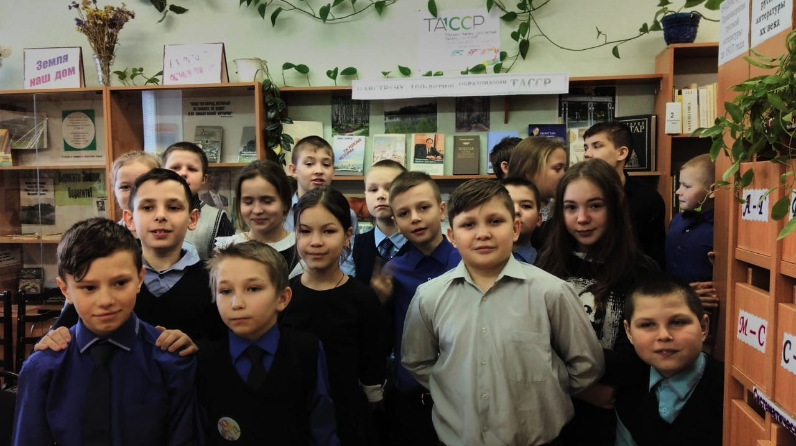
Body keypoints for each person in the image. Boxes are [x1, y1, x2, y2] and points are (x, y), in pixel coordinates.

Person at [401, 179, 604, 446]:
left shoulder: (551, 292)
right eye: (468, 225)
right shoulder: (429, 297)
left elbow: (587, 364)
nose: (482, 234)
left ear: (515, 229)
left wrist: (546, 389)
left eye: (495, 221)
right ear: (451, 236)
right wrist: (452, 386)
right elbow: (417, 361)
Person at [13, 218, 204, 446]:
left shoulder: (171, 361)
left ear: (139, 279)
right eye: (89, 287)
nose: (106, 301)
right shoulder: (42, 368)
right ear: (65, 290)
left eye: (120, 283)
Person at [536, 158, 658, 446]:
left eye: (595, 206)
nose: (582, 218)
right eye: (571, 207)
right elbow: (532, 347)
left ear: (615, 206)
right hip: (552, 418)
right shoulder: (546, 266)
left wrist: (565, 365)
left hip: (614, 418)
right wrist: (579, 388)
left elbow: (636, 357)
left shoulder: (641, 271)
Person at [42, 169, 226, 348]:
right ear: (129, 220)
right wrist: (54, 339)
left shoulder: (215, 279)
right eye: (147, 207)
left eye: (173, 207)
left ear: (192, 219)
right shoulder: (105, 277)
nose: (160, 216)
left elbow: (228, 345)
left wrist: (197, 349)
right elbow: (58, 337)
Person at [199, 240, 340, 445]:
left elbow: (322, 427)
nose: (237, 303)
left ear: (282, 298)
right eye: (225, 291)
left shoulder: (306, 351)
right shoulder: (204, 359)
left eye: (253, 288)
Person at [279, 186, 386, 446]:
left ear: (347, 235)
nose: (316, 242)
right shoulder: (284, 296)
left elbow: (372, 363)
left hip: (347, 417)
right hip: (293, 414)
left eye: (328, 231)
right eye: (305, 231)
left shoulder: (362, 298)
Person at [375, 171, 461, 446]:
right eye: (404, 213)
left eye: (423, 207)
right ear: (396, 223)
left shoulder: (466, 261)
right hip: (412, 395)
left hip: (463, 392)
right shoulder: (393, 271)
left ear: (442, 210)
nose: (415, 218)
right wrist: (378, 300)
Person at [616, 273, 723, 446]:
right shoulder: (629, 393)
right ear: (629, 332)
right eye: (647, 325)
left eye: (678, 322)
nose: (664, 335)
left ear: (703, 327)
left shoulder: (729, 391)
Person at [583, 121, 666, 268]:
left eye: (596, 146)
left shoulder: (648, 200)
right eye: (586, 147)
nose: (587, 154)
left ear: (621, 153)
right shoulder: (576, 194)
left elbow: (655, 257)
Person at [215, 159, 298, 270]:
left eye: (267, 201)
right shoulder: (226, 250)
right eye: (248, 202)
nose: (257, 210)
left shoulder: (302, 248)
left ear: (285, 203)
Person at [162, 141, 235, 260]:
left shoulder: (217, 219)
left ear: (204, 179)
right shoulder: (145, 213)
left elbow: (229, 265)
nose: (183, 173)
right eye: (175, 168)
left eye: (192, 169)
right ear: (162, 172)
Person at [347, 159, 409, 286]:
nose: (380, 195)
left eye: (390, 188)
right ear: (365, 194)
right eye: (373, 189)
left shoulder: (421, 244)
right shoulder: (354, 246)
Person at [666, 154, 717, 308]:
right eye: (679, 185)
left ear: (712, 190)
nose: (678, 191)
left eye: (687, 186)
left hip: (707, 308)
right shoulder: (676, 222)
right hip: (670, 303)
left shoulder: (719, 230)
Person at [283, 136, 358, 236]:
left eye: (326, 164)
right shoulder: (281, 214)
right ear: (294, 170)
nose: (319, 171)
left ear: (333, 171)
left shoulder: (348, 214)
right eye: (309, 164)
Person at [505, 136, 568, 250]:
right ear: (529, 171)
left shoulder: (562, 212)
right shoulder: (499, 206)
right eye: (557, 168)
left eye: (565, 168)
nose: (564, 175)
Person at [111, 150, 161, 225]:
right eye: (125, 187)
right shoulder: (108, 233)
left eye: (143, 185)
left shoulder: (174, 230)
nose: (134, 194)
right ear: (114, 192)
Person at [502, 176, 543, 264]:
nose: (516, 211)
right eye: (508, 205)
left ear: (539, 219)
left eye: (526, 206)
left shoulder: (548, 265)